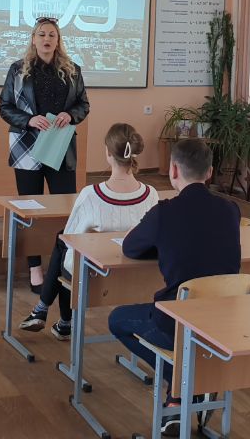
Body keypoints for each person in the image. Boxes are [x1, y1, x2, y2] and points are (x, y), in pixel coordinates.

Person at [108, 139, 241, 428]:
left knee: (117, 319)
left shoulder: (164, 212)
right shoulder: (231, 209)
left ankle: (182, 383)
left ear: (173, 171)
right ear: (210, 173)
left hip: (178, 325)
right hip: (223, 323)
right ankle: (187, 389)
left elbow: (130, 248)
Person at [20, 123, 159, 339]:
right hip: (136, 273)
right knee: (65, 244)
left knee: (64, 244)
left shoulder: (91, 195)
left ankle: (54, 315)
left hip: (93, 275)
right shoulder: (151, 195)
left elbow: (70, 238)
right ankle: (49, 315)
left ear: (108, 153)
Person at [0, 17, 91, 293]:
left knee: (66, 210)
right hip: (27, 146)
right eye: (41, 34)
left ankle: (64, 265)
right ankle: (35, 269)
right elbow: (4, 107)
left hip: (60, 145)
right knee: (31, 210)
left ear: (58, 40)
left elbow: (83, 105)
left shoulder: (72, 70)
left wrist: (70, 115)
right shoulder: (17, 70)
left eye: (52, 35)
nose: (47, 39)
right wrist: (28, 120)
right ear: (33, 39)